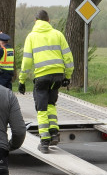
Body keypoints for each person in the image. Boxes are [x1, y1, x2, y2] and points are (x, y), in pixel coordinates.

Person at [18, 11, 74, 152]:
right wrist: (67, 76)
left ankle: (44, 141)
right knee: (51, 104)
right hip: (57, 76)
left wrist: (22, 80)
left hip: (42, 77)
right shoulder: (58, 34)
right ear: (48, 20)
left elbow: (26, 62)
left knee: (41, 108)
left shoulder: (31, 37)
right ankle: (54, 132)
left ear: (35, 20)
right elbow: (68, 57)